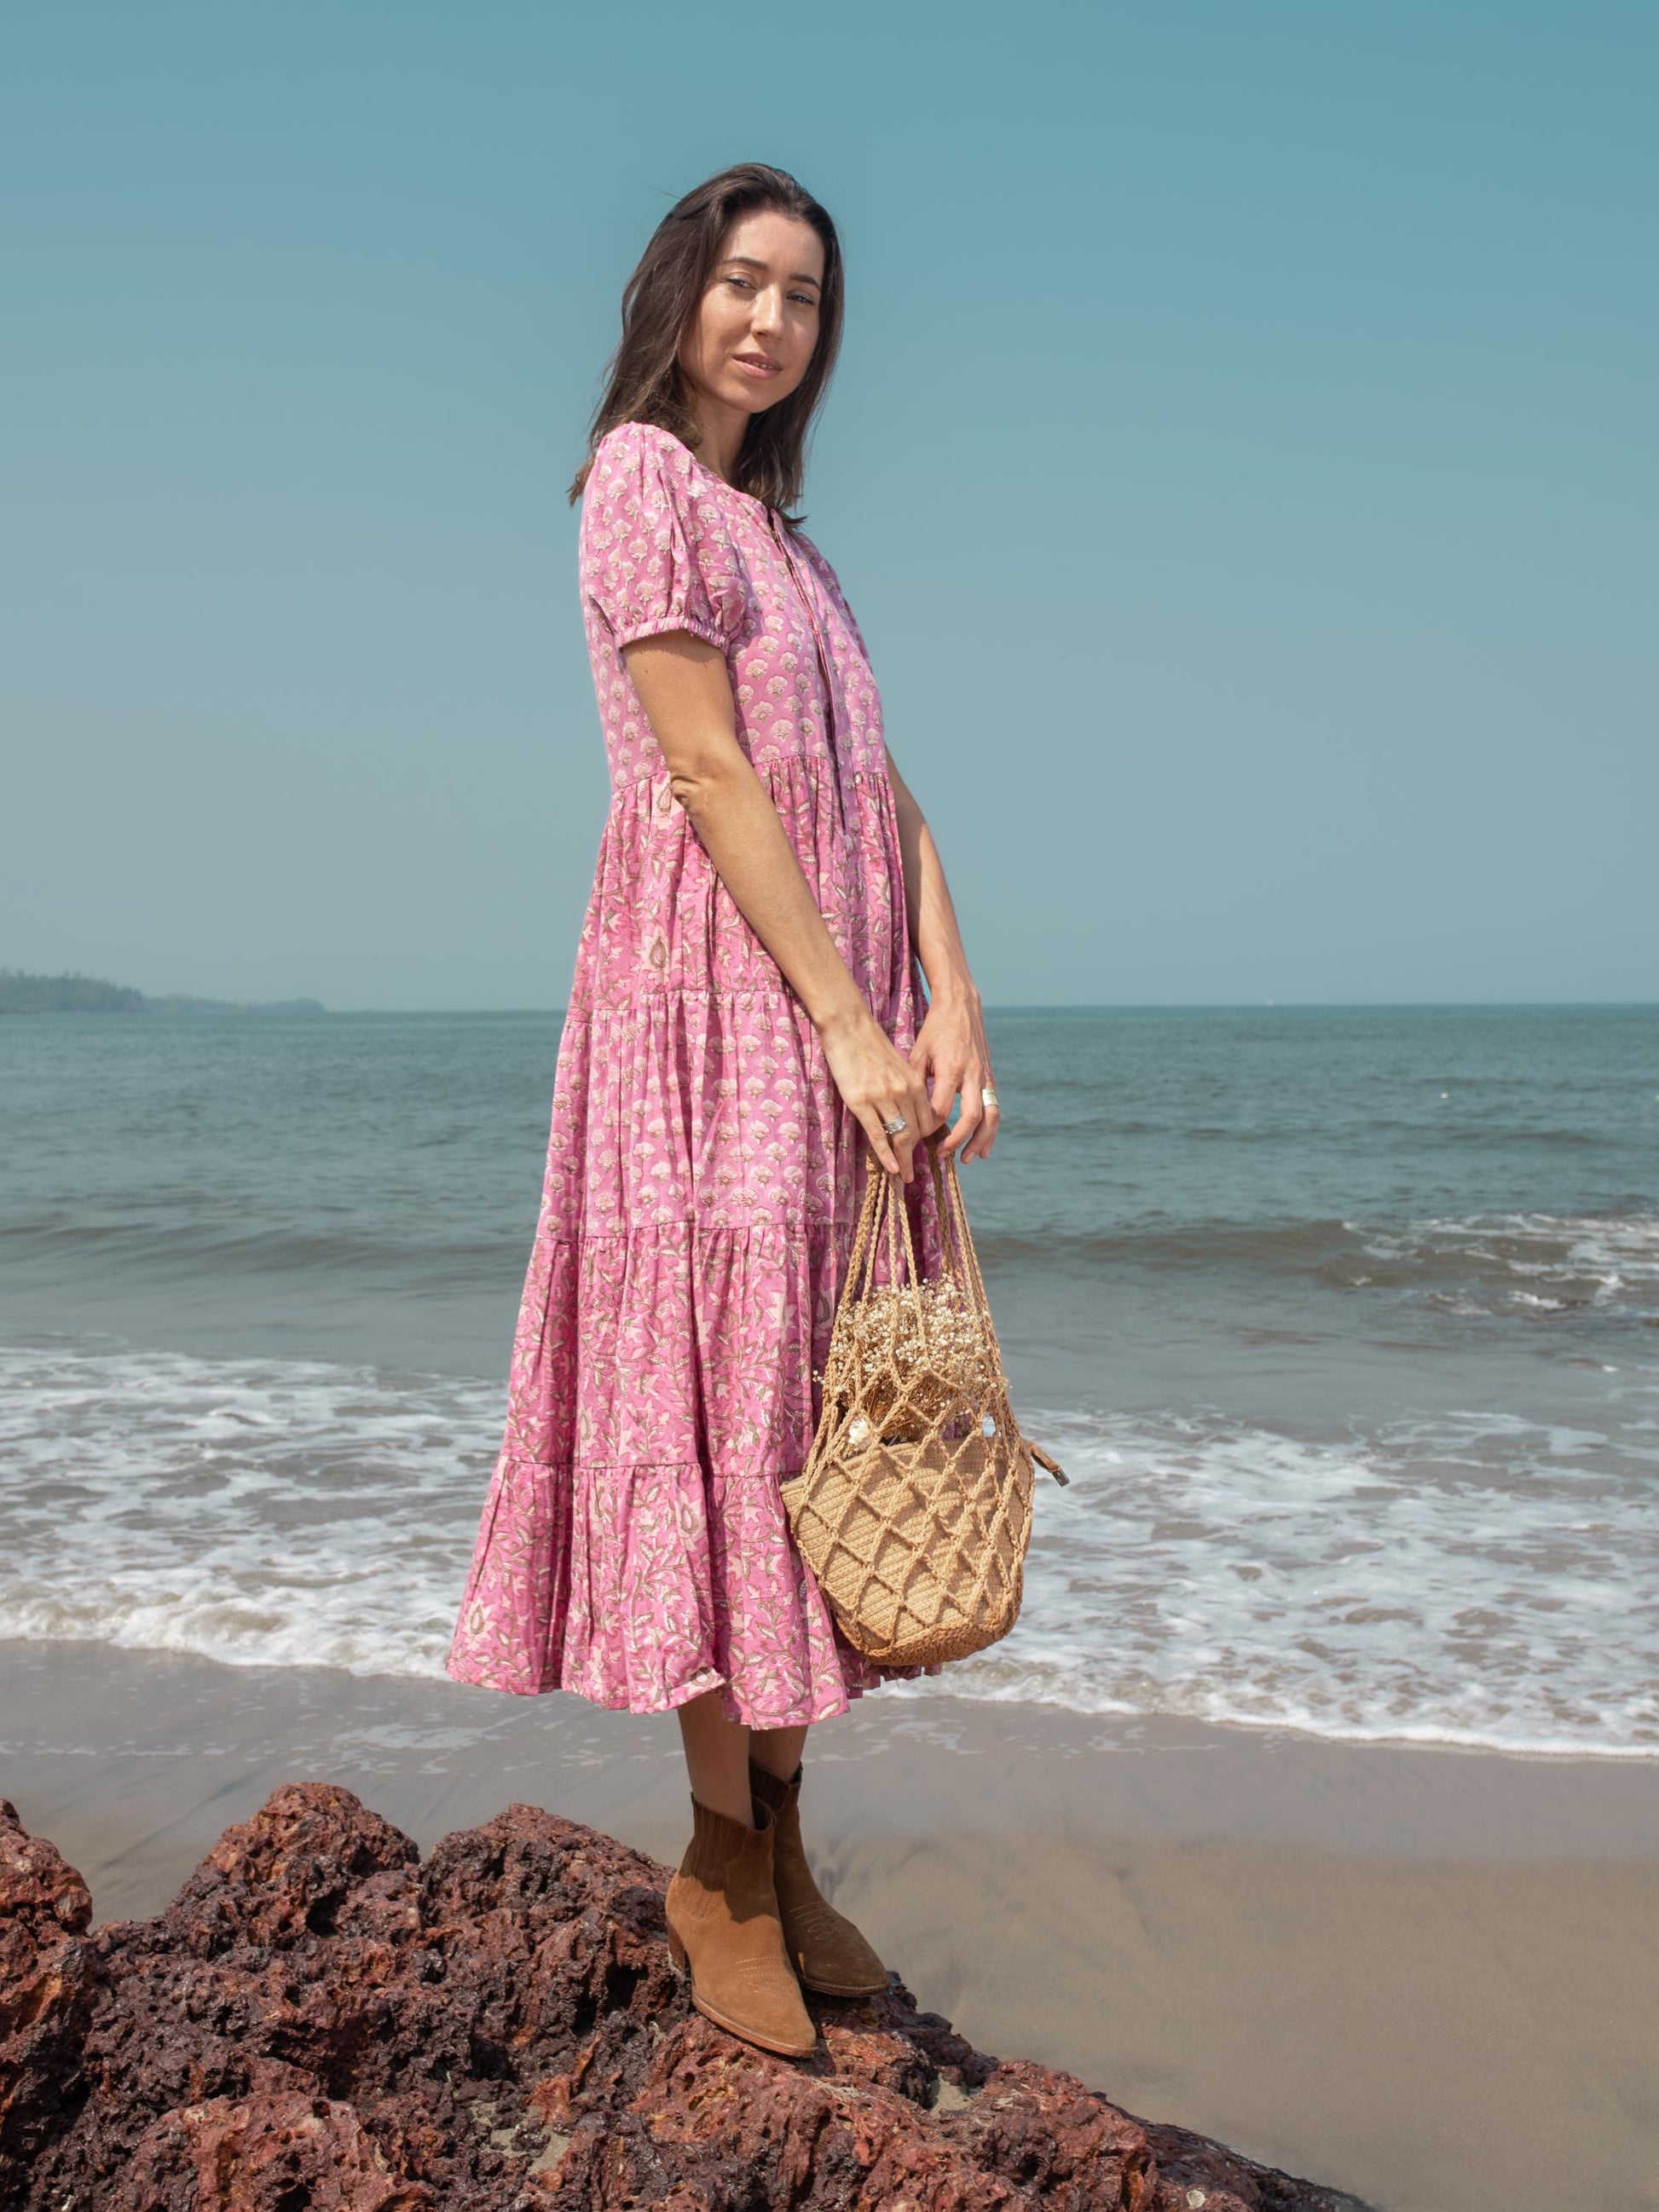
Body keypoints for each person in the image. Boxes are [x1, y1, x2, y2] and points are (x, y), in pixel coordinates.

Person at [446, 162, 1001, 2058]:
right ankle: (713, 1855)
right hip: (711, 1006)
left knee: (814, 1423)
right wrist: (848, 1018)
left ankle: (778, 1832)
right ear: (679, 292)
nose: (773, 321)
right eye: (745, 283)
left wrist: (954, 1004)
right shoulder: (640, 485)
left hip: (839, 1014)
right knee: (725, 1410)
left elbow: (889, 793)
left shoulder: (791, 541)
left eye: (807, 298)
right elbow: (700, 762)